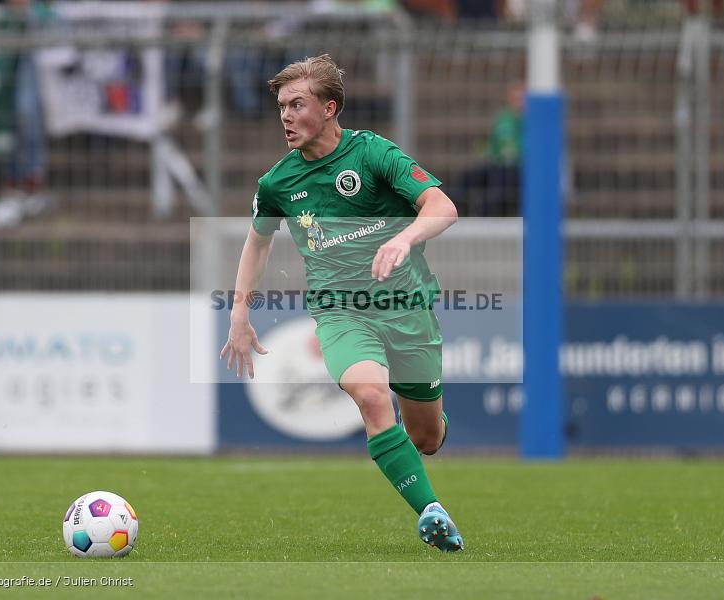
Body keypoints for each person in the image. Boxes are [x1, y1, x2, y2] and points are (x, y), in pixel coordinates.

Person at [219, 54, 464, 552]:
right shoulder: (277, 183)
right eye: (282, 106)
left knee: (426, 439)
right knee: (373, 398)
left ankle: (429, 429)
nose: (285, 116)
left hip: (407, 309)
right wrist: (239, 312)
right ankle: (432, 512)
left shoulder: (373, 154)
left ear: (330, 108)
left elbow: (443, 206)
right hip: (340, 311)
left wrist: (406, 238)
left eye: (297, 104)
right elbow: (258, 241)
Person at [0, 0, 54, 229]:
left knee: (29, 111)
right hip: (6, 33)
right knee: (15, 111)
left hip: (34, 36)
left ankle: (31, 182)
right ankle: (14, 185)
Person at [449, 80, 524, 217]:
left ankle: (482, 218)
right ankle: (451, 210)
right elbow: (494, 144)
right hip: (496, 164)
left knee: (498, 187)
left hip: (517, 169)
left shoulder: (532, 122)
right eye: (515, 98)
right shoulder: (504, 118)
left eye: (521, 99)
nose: (518, 102)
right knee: (467, 178)